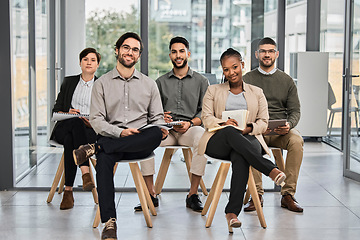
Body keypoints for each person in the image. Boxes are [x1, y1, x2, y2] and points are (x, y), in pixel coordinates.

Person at [73, 32, 168, 240]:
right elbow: (96, 121)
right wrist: (120, 132)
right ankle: (109, 222)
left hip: (140, 141)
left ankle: (94, 149)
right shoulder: (102, 83)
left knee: (154, 134)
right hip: (111, 138)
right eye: (126, 47)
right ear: (117, 50)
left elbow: (157, 118)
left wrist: (162, 128)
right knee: (105, 161)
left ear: (139, 55)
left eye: (135, 49)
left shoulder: (149, 84)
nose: (130, 52)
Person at [198, 48, 286, 230]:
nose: (231, 72)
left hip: (248, 138)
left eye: (235, 67)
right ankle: (270, 169)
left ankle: (232, 213)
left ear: (242, 66)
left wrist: (249, 128)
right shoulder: (213, 90)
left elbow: (263, 121)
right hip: (218, 140)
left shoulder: (257, 92)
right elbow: (206, 118)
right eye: (226, 69)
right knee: (231, 132)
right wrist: (224, 123)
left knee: (240, 156)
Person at [136, 36, 209, 212]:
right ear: (170, 55)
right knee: (144, 138)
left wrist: (190, 123)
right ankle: (150, 194)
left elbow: (206, 113)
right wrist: (161, 119)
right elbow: (151, 112)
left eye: (181, 51)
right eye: (174, 52)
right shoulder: (160, 82)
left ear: (188, 54)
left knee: (202, 138)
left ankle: (193, 194)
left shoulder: (201, 82)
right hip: (165, 131)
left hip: (189, 129)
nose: (178, 55)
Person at [243, 37, 304, 212]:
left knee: (296, 141)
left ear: (276, 54)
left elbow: (295, 111)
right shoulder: (247, 79)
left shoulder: (286, 80)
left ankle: (288, 195)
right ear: (257, 54)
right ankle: (257, 195)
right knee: (247, 142)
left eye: (270, 51)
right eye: (263, 51)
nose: (267, 54)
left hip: (280, 131)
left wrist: (289, 125)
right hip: (256, 130)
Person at [50, 47, 101, 210]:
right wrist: (67, 112)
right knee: (75, 122)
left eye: (93, 60)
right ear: (80, 63)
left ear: (98, 65)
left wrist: (91, 120)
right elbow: (55, 110)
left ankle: (68, 192)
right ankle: (85, 172)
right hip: (64, 125)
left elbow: (106, 114)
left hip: (89, 130)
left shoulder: (101, 85)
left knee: (70, 142)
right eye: (85, 59)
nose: (89, 62)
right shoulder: (69, 82)